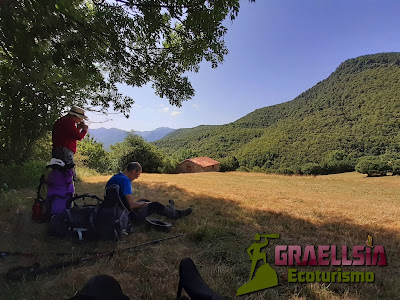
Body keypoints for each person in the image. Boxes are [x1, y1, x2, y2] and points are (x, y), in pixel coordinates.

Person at [106, 162, 192, 225]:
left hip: (116, 210)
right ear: (133, 171)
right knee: (154, 205)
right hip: (127, 216)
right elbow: (131, 205)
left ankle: (168, 210)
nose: (137, 177)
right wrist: (144, 204)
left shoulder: (116, 177)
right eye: (138, 174)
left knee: (144, 200)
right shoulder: (125, 181)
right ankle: (178, 214)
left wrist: (142, 203)